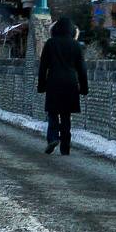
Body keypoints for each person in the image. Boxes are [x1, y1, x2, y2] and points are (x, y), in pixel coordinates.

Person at [36, 16, 87, 155]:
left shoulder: (50, 43)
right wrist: (84, 88)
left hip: (53, 82)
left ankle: (53, 137)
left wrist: (41, 85)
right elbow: (82, 69)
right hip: (70, 83)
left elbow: (43, 67)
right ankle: (65, 146)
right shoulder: (76, 45)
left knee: (53, 112)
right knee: (66, 115)